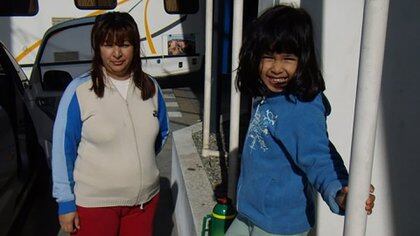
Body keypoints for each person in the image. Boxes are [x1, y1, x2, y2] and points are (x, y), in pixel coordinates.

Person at [226, 5, 375, 236]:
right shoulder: (266, 94)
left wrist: (341, 191)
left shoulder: (301, 107)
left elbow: (319, 156)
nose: (276, 68)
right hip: (249, 214)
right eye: (268, 57)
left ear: (303, 60)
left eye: (288, 58)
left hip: (279, 227)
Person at [51, 12, 169, 236]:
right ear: (98, 48)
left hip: (143, 203)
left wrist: (138, 163)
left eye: (124, 44)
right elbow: (62, 148)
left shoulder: (151, 88)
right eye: (108, 45)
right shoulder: (79, 91)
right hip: (94, 205)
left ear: (135, 47)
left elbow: (161, 134)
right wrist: (65, 201)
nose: (116, 53)